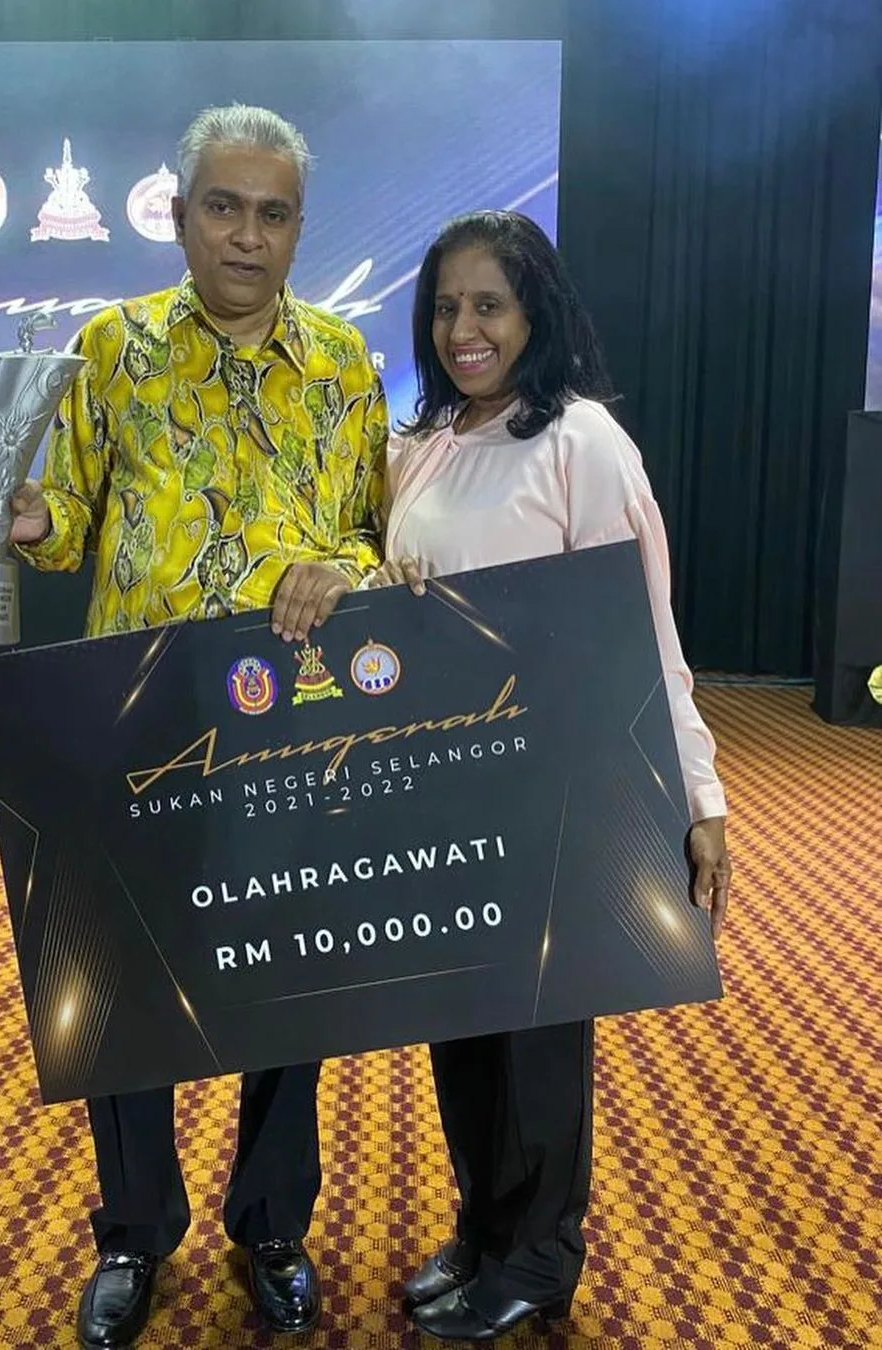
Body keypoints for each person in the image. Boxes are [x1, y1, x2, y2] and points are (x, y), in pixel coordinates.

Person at [0, 105, 387, 1349]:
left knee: (291, 981)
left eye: (274, 213)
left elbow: (376, 532)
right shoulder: (115, 346)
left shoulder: (346, 361)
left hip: (296, 723)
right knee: (125, 976)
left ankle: (273, 1225)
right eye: (224, 207)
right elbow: (68, 519)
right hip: (139, 715)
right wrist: (25, 524)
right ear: (181, 213)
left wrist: (345, 571)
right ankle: (134, 1232)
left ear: (298, 226)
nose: (248, 236)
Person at [369, 211, 732, 1343]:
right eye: (446, 307)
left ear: (537, 313)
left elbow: (647, 631)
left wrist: (701, 797)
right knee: (461, 1021)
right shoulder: (423, 443)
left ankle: (540, 1253)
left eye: (490, 304)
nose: (463, 330)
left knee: (536, 1033)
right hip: (441, 789)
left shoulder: (583, 442)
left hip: (552, 789)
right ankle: (483, 1229)